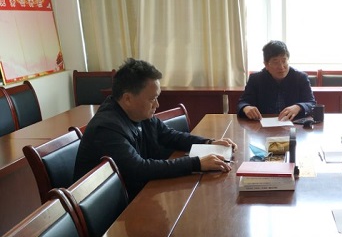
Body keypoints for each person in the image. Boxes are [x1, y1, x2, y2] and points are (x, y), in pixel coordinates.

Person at [74, 58, 237, 198]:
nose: (157, 105)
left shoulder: (138, 113)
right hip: (115, 211)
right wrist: (196, 163)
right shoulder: (107, 128)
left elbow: (169, 135)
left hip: (136, 194)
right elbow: (139, 168)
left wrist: (208, 142)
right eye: (152, 99)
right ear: (128, 99)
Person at [237, 40, 316, 121]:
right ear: (266, 65)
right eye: (275, 62)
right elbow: (243, 102)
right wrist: (246, 107)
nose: (281, 67)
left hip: (293, 124)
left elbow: (311, 103)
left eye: (284, 61)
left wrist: (299, 107)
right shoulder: (256, 79)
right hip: (263, 124)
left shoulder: (300, 77)